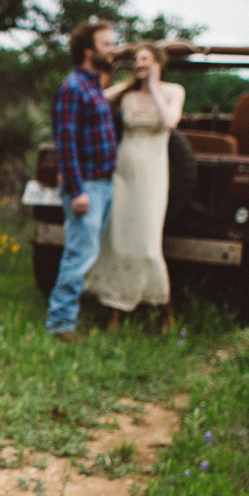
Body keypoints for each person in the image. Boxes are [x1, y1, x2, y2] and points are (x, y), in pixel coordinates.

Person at [85, 42, 185, 331]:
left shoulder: (171, 91)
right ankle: (114, 312)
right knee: (117, 241)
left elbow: (170, 121)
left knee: (147, 245)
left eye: (145, 59)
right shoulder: (127, 94)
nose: (139, 64)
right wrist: (128, 83)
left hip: (152, 176)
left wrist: (153, 86)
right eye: (136, 60)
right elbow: (97, 99)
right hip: (123, 172)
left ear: (158, 62)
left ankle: (164, 307)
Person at [45, 21, 119, 340]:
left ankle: (67, 317)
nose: (113, 50)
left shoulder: (94, 87)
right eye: (107, 44)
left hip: (103, 184)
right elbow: (66, 142)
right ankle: (60, 322)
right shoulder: (73, 87)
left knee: (85, 254)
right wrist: (76, 190)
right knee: (79, 254)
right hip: (86, 186)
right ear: (88, 51)